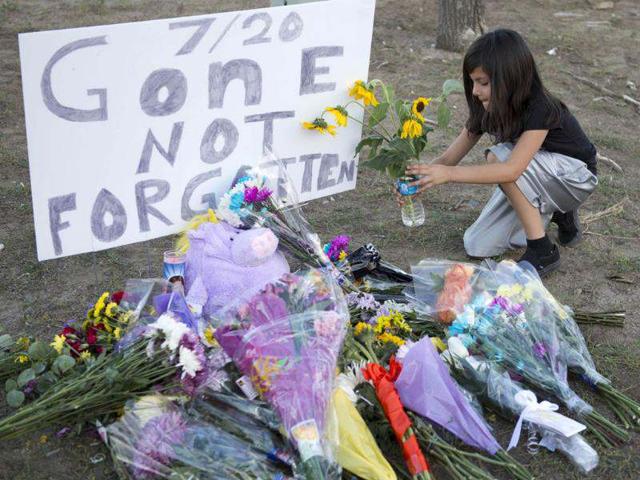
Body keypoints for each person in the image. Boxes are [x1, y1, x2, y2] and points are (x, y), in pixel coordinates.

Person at [403, 28, 598, 277]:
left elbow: (511, 169)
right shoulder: (487, 107)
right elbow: (448, 159)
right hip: (537, 176)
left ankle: (542, 249)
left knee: (501, 157)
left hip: (576, 177)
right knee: (476, 244)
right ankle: (556, 211)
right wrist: (416, 180)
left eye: (483, 82)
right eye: (472, 81)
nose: (474, 91)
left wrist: (449, 174)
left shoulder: (541, 107)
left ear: (510, 79)